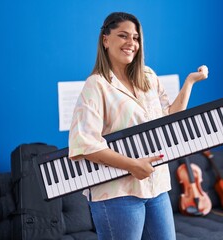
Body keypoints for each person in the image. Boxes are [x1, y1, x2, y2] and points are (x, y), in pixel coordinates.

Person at [68, 12, 208, 240]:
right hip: (117, 193)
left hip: (157, 185)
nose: (131, 43)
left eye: (135, 38)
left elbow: (170, 119)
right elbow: (85, 144)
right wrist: (132, 165)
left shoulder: (148, 76)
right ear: (105, 39)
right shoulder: (96, 85)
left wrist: (189, 83)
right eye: (123, 36)